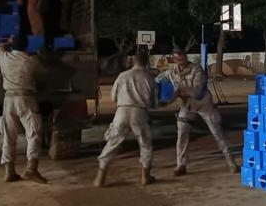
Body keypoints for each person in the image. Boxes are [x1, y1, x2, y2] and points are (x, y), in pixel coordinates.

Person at [157, 48, 239, 176]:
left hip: (204, 105)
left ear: (186, 56)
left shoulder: (197, 69)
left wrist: (178, 93)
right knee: (181, 135)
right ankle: (181, 164)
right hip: (187, 106)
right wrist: (161, 96)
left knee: (217, 133)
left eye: (183, 58)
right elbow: (158, 82)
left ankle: (231, 162)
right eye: (178, 59)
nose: (181, 61)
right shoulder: (171, 73)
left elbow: (198, 92)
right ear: (173, 60)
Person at [94, 52, 157, 187]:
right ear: (146, 62)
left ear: (133, 62)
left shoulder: (122, 76)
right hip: (139, 112)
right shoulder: (149, 77)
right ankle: (145, 177)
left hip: (121, 112)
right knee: (145, 144)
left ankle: (100, 177)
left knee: (112, 143)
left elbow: (113, 97)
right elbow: (153, 102)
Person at [0, 34, 47, 184]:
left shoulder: (3, 57)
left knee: (9, 136)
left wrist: (7, 42)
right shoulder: (31, 61)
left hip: (9, 99)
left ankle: (9, 172)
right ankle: (31, 169)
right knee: (34, 133)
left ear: (12, 45)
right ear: (26, 45)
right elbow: (43, 65)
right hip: (26, 99)